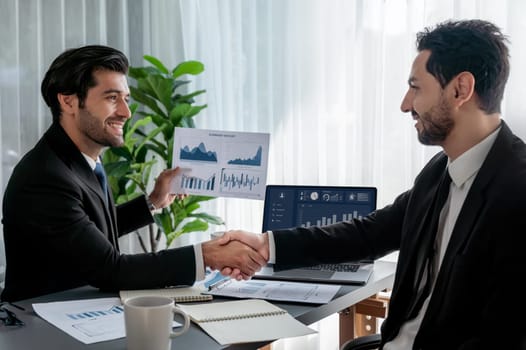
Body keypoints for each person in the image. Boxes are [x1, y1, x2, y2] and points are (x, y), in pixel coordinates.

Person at [219, 19, 526, 349]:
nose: (405, 104)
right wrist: (267, 245)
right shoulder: (439, 173)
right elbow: (368, 234)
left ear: (460, 89)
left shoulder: (517, 194)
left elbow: (502, 340)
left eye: (416, 87)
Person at [1, 45, 266, 302]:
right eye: (111, 98)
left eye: (125, 99)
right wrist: (207, 256)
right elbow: (111, 269)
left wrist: (154, 202)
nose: (126, 113)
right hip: (39, 330)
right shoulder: (44, 177)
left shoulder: (77, 159)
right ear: (68, 101)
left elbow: (88, 227)